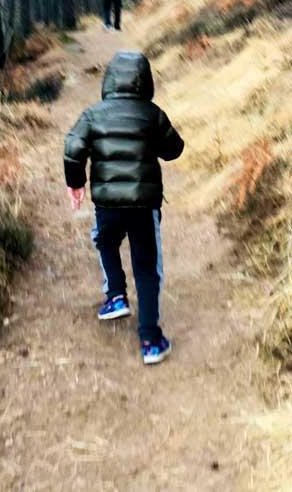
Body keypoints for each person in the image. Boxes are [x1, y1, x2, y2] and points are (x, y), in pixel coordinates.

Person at [63, 50, 185, 365]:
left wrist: (76, 183)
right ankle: (150, 341)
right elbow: (174, 149)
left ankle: (116, 295)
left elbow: (73, 148)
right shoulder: (152, 114)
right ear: (146, 81)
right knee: (147, 268)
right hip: (145, 205)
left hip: (107, 203)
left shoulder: (92, 114)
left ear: (109, 80)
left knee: (105, 240)